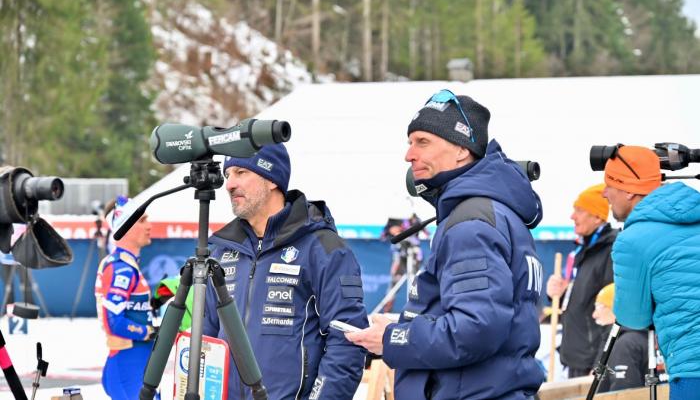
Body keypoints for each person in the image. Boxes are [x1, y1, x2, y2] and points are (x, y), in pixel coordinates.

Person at [346, 89, 545, 399]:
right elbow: (474, 313)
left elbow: (476, 330)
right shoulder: (493, 212)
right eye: (410, 143)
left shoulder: (471, 224)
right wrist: (403, 324)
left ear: (462, 150)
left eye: (423, 142)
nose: (409, 155)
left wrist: (393, 337)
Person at [202, 143, 368, 400]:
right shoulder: (220, 251)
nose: (229, 184)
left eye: (241, 173)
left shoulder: (323, 248)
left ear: (272, 180)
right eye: (227, 175)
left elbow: (348, 341)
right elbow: (206, 338)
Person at [601, 144, 700, 399]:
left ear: (630, 191)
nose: (604, 193)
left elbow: (633, 317)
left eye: (609, 185)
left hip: (693, 369)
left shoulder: (633, 240)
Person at [545, 183, 616, 378]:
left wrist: (600, 363)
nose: (572, 216)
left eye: (579, 210)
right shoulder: (584, 250)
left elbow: (610, 309)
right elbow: (585, 299)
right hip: (574, 357)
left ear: (597, 216)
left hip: (591, 362)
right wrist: (560, 293)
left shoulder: (610, 251)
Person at [95, 195, 156, 400]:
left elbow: (132, 308)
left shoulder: (128, 265)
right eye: (141, 220)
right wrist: (149, 332)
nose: (149, 225)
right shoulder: (121, 268)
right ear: (125, 226)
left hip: (135, 367)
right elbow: (115, 323)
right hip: (128, 368)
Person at [591, 283, 648, 393]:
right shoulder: (648, 336)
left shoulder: (625, 344)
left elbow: (624, 392)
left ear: (616, 308)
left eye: (599, 307)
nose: (594, 314)